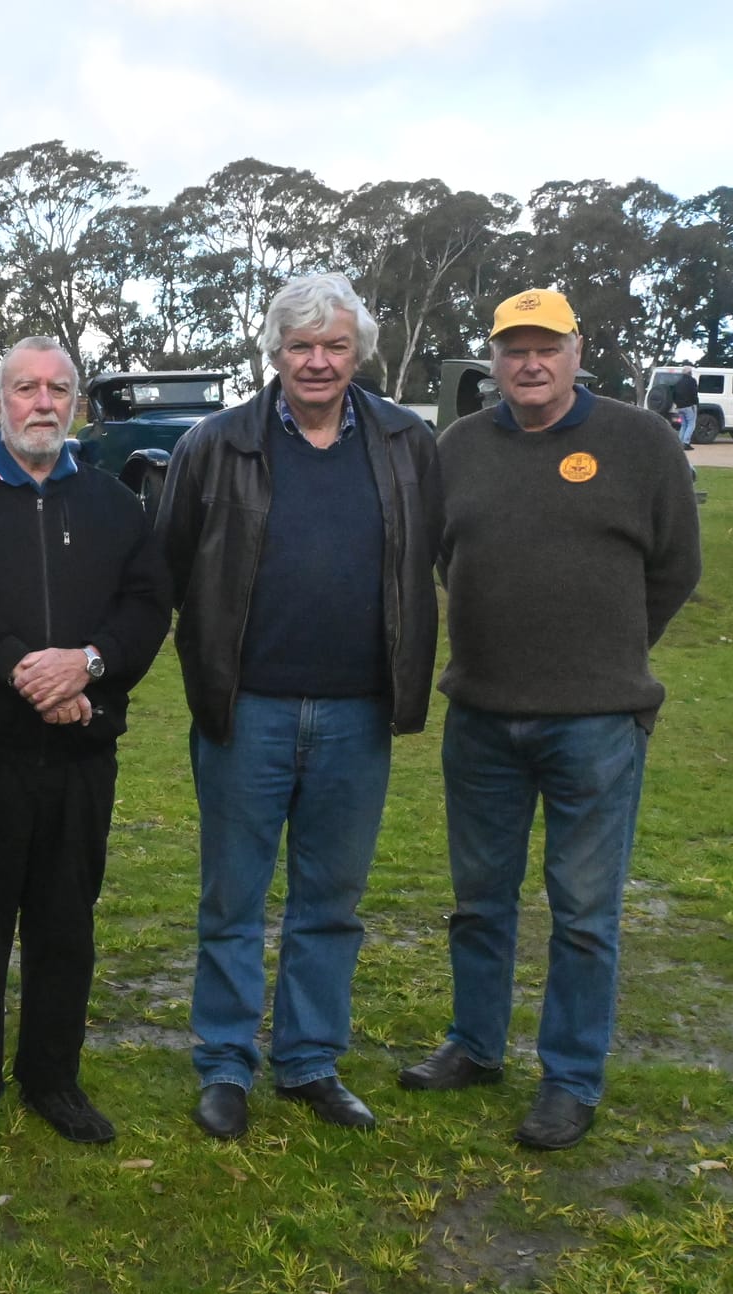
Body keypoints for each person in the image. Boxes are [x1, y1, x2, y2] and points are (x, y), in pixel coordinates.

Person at [398, 288, 701, 1149]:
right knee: (480, 901)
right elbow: (441, 558)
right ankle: (475, 1045)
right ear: (493, 359)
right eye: (513, 348)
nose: (530, 363)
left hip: (598, 723)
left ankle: (570, 1077)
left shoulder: (639, 441)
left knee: (583, 912)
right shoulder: (457, 447)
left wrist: (612, 653)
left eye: (547, 347)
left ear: (577, 352)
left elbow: (676, 565)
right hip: (485, 717)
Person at [157, 275, 443, 1141]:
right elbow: (167, 566)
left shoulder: (405, 442)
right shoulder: (215, 444)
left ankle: (312, 1059)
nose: (318, 363)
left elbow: (429, 555)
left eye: (335, 346)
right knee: (233, 898)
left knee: (331, 899)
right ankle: (225, 1063)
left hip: (359, 712)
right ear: (273, 352)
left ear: (359, 353)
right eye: (300, 346)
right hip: (248, 714)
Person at [0, 335, 169, 1152]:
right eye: (25, 387)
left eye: (58, 388)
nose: (42, 402)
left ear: (77, 403)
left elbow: (147, 606)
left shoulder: (117, 505)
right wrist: (25, 670)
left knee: (64, 928)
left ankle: (52, 1077)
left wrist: (86, 666)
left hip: (81, 761)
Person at [669, 366, 699, 449]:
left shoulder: (678, 382)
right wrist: (696, 404)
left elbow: (673, 394)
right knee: (691, 424)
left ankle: (679, 443)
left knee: (684, 425)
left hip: (679, 407)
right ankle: (686, 443)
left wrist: (677, 403)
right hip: (689, 406)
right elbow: (694, 393)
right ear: (690, 373)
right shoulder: (692, 381)